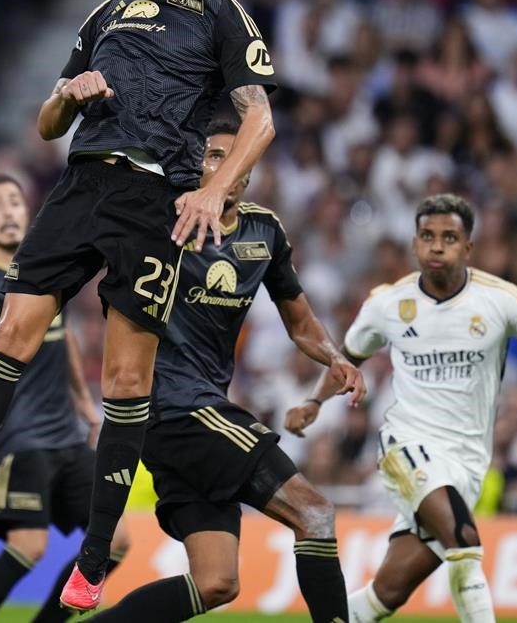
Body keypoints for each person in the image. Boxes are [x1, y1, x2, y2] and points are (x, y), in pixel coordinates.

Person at [0, 0, 279, 611]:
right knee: (10, 330)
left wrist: (213, 190)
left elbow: (260, 115)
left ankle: (92, 562)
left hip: (156, 197)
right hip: (81, 180)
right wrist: (70, 93)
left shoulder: (214, 3)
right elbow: (45, 122)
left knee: (125, 380)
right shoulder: (108, 9)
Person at [287, 194, 517, 623]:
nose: (437, 246)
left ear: (468, 248)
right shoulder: (387, 304)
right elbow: (347, 357)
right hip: (407, 445)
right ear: (415, 244)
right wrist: (313, 402)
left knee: (387, 594)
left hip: (468, 463)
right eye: (428, 236)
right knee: (465, 541)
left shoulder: (503, 301)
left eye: (449, 237)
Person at [93, 119, 363, 622]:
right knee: (315, 512)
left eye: (227, 156)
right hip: (174, 408)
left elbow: (300, 321)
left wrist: (336, 356)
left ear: (247, 168)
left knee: (217, 583)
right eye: (208, 155)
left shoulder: (265, 231)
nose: (215, 165)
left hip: (192, 415)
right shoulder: (163, 223)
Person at [0, 174, 129, 622]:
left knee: (115, 542)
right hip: (18, 439)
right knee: (29, 547)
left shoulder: (46, 268)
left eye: (14, 202)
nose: (8, 211)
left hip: (67, 438)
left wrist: (84, 406)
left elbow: (63, 338)